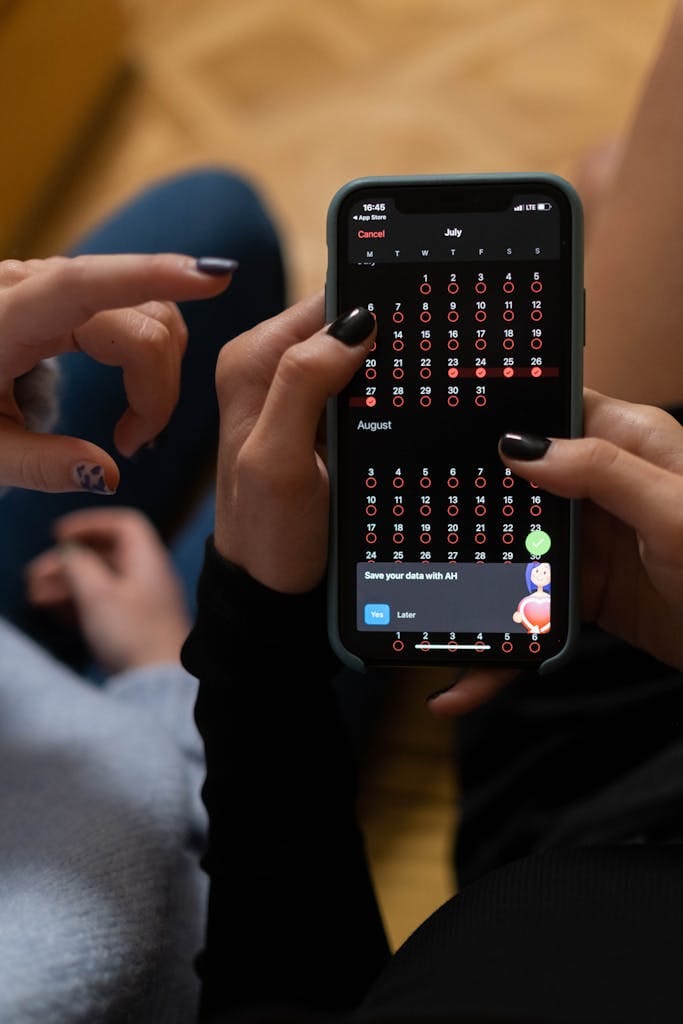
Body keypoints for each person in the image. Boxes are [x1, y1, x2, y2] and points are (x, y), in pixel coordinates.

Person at [24, 1, 683, 1020]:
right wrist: (181, 666)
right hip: (614, 664)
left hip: (546, 752)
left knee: (220, 230)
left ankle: (595, 207)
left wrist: (230, 633)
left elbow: (274, 975)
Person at [0, 168, 287, 1023]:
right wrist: (167, 677)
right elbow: (138, 928)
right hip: (155, 800)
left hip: (36, 723)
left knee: (213, 219)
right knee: (371, 412)